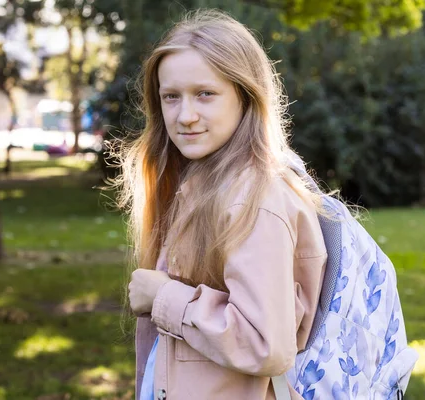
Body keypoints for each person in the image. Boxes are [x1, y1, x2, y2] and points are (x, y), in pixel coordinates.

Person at [113, 9, 329, 400]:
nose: (185, 116)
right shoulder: (202, 185)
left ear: (245, 96)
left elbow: (266, 343)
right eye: (171, 97)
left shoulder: (253, 198)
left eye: (205, 94)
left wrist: (163, 297)